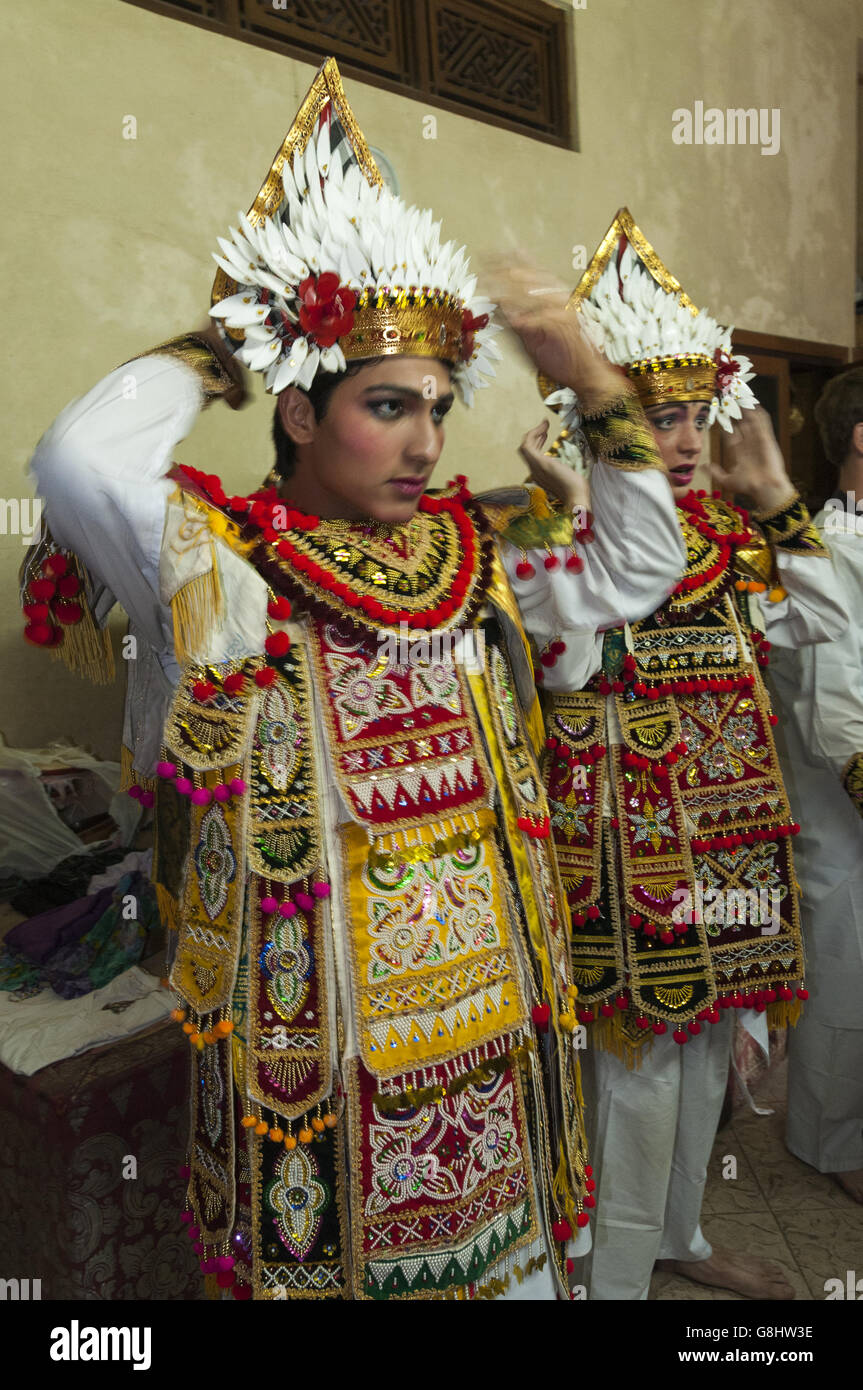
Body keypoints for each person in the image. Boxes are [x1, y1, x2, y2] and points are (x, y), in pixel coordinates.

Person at [22, 67, 686, 1300]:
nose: (428, 440)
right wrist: (230, 335)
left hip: (495, 1042)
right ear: (296, 407)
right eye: (387, 405)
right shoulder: (220, 574)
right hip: (320, 1076)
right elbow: (74, 456)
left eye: (436, 406)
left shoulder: (476, 554)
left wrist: (589, 376)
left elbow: (643, 560)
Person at [520, 208, 850, 1300]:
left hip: (733, 844)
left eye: (695, 418)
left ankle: (678, 1236)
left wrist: (771, 498)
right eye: (658, 420)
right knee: (635, 1075)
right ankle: (609, 1274)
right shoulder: (566, 545)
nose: (682, 441)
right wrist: (580, 514)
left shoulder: (726, 541)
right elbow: (561, 672)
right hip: (626, 855)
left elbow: (821, 617)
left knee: (707, 1060)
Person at [770, 366, 863, 1204]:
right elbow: (832, 705)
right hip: (842, 797)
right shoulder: (830, 541)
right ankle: (828, 1143)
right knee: (846, 963)